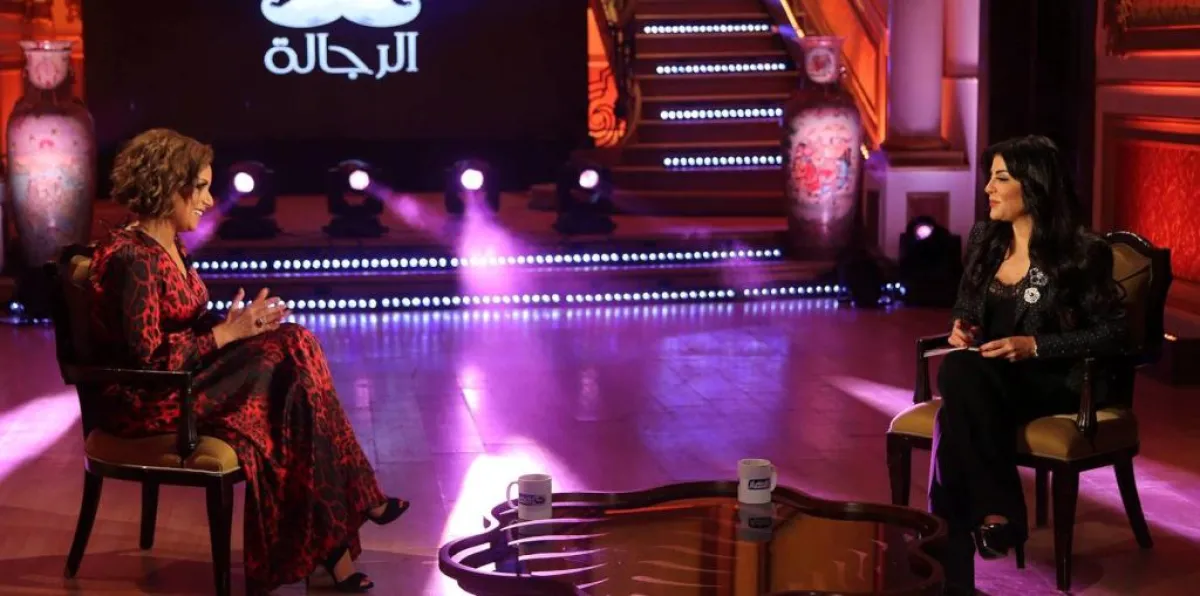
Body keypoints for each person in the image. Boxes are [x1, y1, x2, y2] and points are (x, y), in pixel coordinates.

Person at [86, 128, 408, 594]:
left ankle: (331, 551)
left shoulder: (170, 246)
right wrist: (225, 334)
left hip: (187, 381)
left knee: (293, 349)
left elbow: (184, 327)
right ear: (167, 186)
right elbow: (149, 363)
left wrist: (239, 325)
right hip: (147, 402)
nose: (209, 200)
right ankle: (349, 517)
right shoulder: (133, 258)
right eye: (200, 187)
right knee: (292, 366)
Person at [928, 135, 1127, 590]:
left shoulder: (1082, 252)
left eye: (1001, 179)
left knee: (954, 408)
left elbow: (1115, 333)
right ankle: (996, 521)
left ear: (1033, 186)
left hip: (1052, 381)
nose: (988, 189)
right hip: (989, 380)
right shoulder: (985, 240)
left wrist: (1035, 346)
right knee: (958, 389)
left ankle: (954, 566)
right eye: (990, 178)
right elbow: (965, 307)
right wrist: (963, 328)